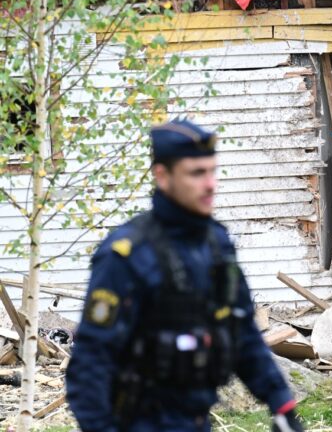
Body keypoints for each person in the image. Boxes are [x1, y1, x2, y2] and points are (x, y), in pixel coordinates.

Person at [66, 119, 304, 432]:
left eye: (212, 171)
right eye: (196, 173)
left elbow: (241, 331)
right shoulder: (126, 255)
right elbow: (89, 364)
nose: (210, 184)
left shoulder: (216, 244)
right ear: (162, 176)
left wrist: (280, 402)